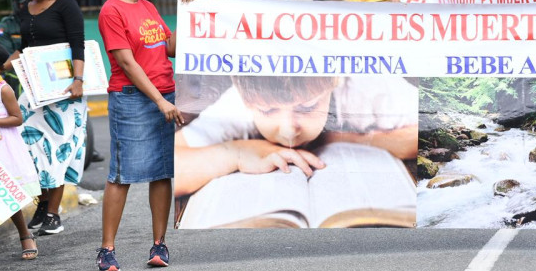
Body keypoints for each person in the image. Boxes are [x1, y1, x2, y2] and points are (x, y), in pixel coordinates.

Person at [95, 0, 194, 271]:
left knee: (162, 172)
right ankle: (107, 250)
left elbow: (170, 48)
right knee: (121, 175)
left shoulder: (149, 8)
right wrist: (159, 100)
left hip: (163, 95)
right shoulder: (112, 10)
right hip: (134, 99)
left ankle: (159, 244)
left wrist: (188, 15)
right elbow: (126, 62)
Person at [174, 75, 418, 197]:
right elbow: (172, 164)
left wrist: (338, 138)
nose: (289, 129)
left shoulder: (364, 85)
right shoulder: (240, 102)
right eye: (268, 110)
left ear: (334, 79)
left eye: (308, 107)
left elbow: (424, 134)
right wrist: (238, 153)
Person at [1, 0, 87, 236]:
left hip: (65, 91)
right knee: (30, 148)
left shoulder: (66, 5)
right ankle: (42, 203)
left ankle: (53, 213)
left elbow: (77, 43)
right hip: (35, 91)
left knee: (58, 149)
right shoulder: (27, 8)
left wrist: (78, 80)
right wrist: (3, 64)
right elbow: (26, 47)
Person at [0, 42, 41, 260]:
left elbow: (17, 118)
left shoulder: (3, 88)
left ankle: (24, 234)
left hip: (1, 149)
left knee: (8, 195)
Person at [0, 0, 28, 96]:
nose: (25, 6)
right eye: (22, 3)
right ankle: (20, 111)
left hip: (40, 66)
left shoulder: (42, 22)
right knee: (19, 77)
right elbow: (7, 57)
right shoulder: (6, 26)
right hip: (15, 70)